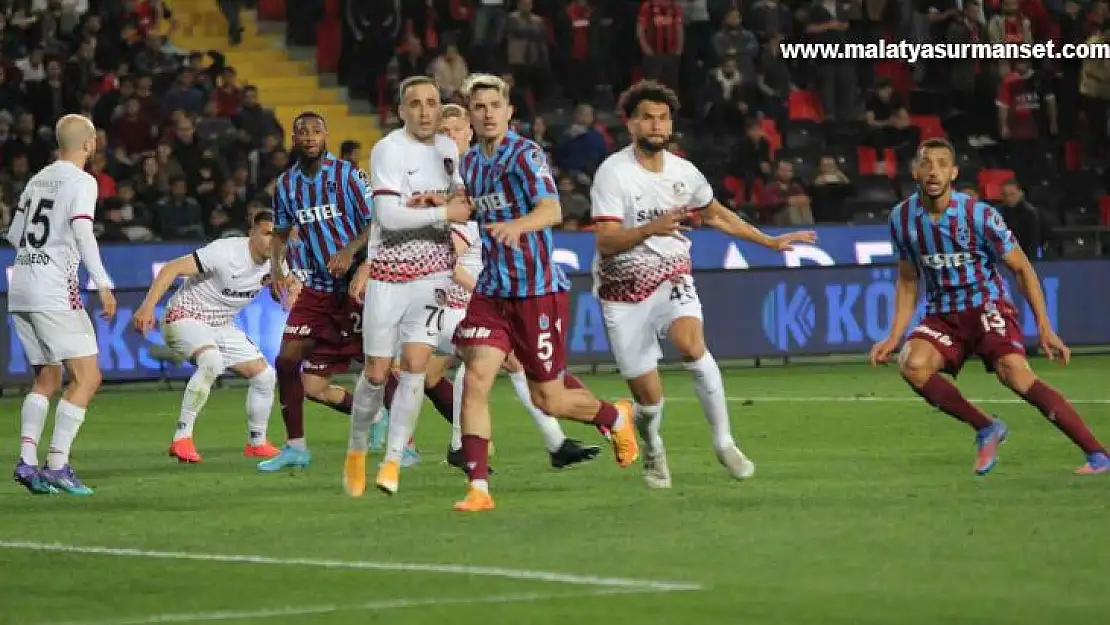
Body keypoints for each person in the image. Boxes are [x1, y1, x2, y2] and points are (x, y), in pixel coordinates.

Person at [590, 80, 817, 489]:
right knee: (649, 398)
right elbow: (605, 241)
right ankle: (654, 447)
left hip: (673, 274)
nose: (656, 125)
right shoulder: (613, 174)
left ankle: (724, 442)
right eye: (647, 118)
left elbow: (715, 214)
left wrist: (767, 241)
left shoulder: (684, 172)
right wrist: (649, 229)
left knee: (692, 345)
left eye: (663, 118)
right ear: (632, 125)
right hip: (623, 290)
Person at [450, 73, 640, 513]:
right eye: (478, 108)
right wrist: (442, 205)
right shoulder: (472, 163)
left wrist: (518, 225)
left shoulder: (526, 153)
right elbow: (477, 205)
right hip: (491, 289)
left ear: (509, 111)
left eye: (494, 105)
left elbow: (552, 208)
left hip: (535, 291)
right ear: (472, 116)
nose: (487, 114)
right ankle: (479, 487)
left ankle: (614, 417)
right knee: (477, 377)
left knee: (548, 399)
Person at [869, 138, 1109, 476]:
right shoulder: (902, 218)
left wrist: (1044, 325)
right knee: (913, 365)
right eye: (926, 163)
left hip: (986, 306)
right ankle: (986, 427)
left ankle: (1098, 454)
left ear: (953, 173)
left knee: (1014, 374)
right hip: (943, 314)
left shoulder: (978, 215)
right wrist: (894, 336)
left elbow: (1021, 267)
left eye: (941, 163)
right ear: (915, 171)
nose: (933, 170)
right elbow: (908, 279)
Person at [436, 104, 600, 472]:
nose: (449, 137)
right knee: (482, 364)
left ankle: (462, 445)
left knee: (481, 365)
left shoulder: (487, 169)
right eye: (442, 131)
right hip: (456, 293)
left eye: (455, 130)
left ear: (469, 132)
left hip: (493, 288)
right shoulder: (446, 179)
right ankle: (433, 446)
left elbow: (536, 208)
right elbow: (448, 249)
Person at [343, 75, 472, 497]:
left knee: (416, 365)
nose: (424, 111)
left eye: (432, 103)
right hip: (388, 276)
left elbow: (463, 206)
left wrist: (449, 207)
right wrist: (440, 213)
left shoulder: (449, 150)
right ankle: (358, 450)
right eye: (414, 103)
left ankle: (393, 461)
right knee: (378, 373)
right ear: (401, 111)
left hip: (434, 276)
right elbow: (389, 217)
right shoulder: (389, 150)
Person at [8, 114, 116, 495]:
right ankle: (57, 464)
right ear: (88, 144)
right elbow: (83, 231)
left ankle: (27, 462)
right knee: (88, 378)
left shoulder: (37, 179)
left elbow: (14, 235)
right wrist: (103, 283)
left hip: (20, 286)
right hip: (54, 289)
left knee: (47, 377)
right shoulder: (82, 181)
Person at [259, 111, 372, 473]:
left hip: (358, 283)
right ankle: (296, 447)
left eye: (315, 131)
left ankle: (403, 439)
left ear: (326, 136)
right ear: (294, 140)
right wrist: (277, 269)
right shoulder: (287, 185)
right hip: (318, 288)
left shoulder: (348, 175)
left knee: (377, 363)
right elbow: (279, 232)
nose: (309, 137)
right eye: (302, 132)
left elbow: (378, 221)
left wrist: (351, 251)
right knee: (287, 362)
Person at [132, 210, 282, 463]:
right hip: (184, 316)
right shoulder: (226, 252)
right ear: (252, 233)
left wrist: (288, 289)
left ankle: (257, 442)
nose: (272, 240)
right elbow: (172, 268)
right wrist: (147, 306)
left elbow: (281, 291)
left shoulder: (277, 260)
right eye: (267, 234)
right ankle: (182, 438)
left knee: (265, 376)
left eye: (277, 235)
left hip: (221, 324)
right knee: (211, 361)